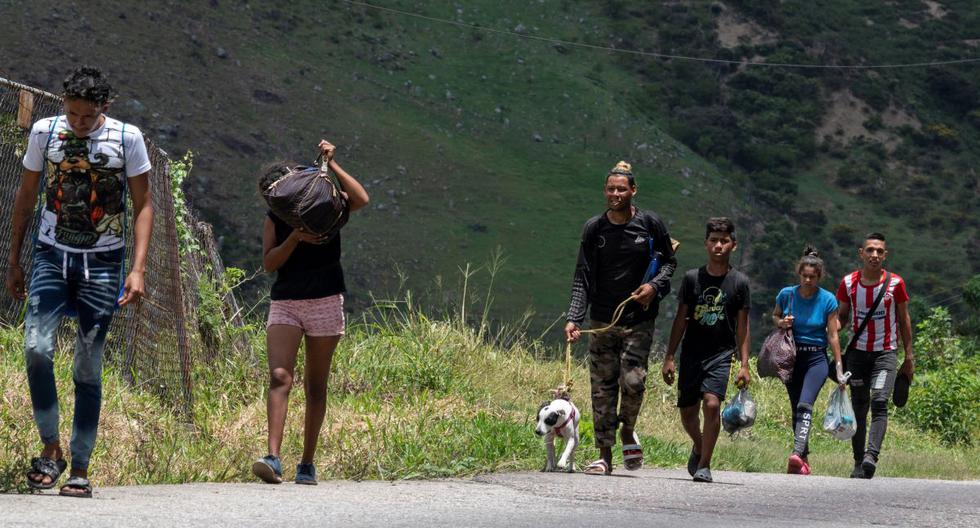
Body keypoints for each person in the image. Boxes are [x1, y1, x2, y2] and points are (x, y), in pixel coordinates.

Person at [5, 67, 153, 498]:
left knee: (87, 365)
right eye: (73, 113)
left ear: (104, 108)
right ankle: (50, 448)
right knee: (36, 347)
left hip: (103, 263)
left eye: (88, 117)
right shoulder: (44, 132)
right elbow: (27, 195)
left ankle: (80, 467)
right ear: (63, 103)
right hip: (52, 255)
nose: (79, 123)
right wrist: (14, 259)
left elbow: (143, 205)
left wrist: (138, 268)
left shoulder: (128, 138)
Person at [252, 139, 369, 485]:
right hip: (286, 301)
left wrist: (332, 165)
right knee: (279, 377)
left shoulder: (326, 205)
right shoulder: (276, 218)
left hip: (325, 300)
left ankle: (307, 463)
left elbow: (361, 199)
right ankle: (273, 458)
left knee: (316, 386)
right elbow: (270, 263)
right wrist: (295, 239)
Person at [564, 161, 676, 476]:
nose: (616, 194)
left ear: (633, 190)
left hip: (638, 319)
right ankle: (604, 455)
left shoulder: (651, 224)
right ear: (605, 191)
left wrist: (653, 287)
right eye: (611, 189)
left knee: (634, 381)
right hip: (600, 319)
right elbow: (582, 277)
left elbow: (670, 262)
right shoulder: (594, 229)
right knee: (602, 387)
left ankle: (628, 428)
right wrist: (575, 318)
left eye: (621, 189)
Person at [661, 217, 751, 483]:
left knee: (711, 405)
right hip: (691, 353)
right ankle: (700, 446)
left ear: (733, 245)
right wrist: (669, 357)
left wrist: (744, 364)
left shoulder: (739, 283)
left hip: (721, 354)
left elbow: (743, 327)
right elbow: (681, 319)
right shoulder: (692, 279)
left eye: (724, 241)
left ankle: (705, 464)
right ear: (706, 244)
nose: (718, 246)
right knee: (688, 414)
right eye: (714, 241)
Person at [836, 232, 913, 479]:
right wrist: (827, 330)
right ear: (861, 253)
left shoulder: (895, 284)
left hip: (885, 353)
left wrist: (909, 357)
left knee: (880, 401)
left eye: (879, 251)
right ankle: (859, 462)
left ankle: (871, 456)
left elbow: (903, 319)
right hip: (857, 354)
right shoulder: (848, 283)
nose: (874, 255)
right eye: (870, 250)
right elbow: (842, 317)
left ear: (885, 255)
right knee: (859, 405)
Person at [771, 245, 843, 475]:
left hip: (816, 359)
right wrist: (782, 323)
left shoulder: (828, 300)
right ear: (799, 274)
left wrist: (839, 367)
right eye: (805, 276)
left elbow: (833, 335)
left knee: (805, 404)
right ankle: (803, 460)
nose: (808, 280)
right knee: (796, 408)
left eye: (813, 277)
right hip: (791, 356)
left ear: (819, 277)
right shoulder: (787, 294)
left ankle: (796, 451)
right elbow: (775, 315)